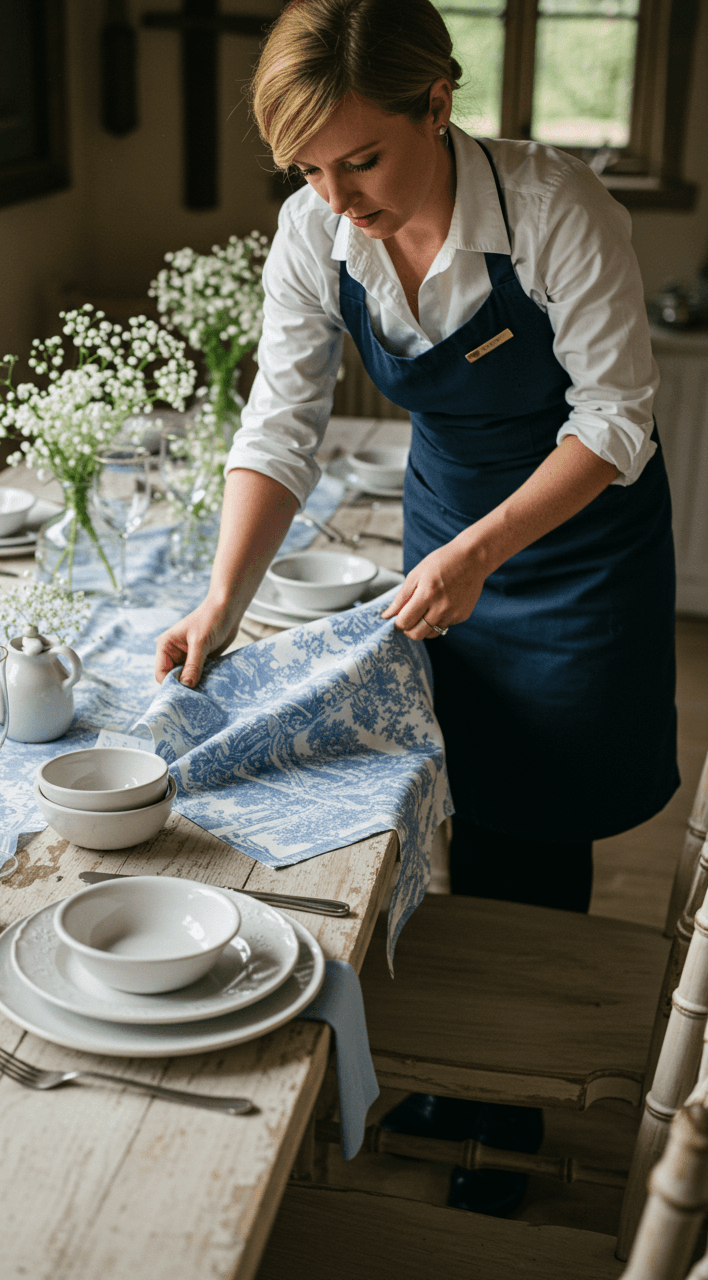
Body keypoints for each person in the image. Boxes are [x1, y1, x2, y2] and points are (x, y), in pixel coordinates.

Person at [154, 0, 679, 1216]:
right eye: (307, 170)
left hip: (572, 543)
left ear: (436, 104)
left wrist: (485, 550)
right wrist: (222, 598)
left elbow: (615, 419)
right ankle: (458, 1068)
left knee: (539, 817)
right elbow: (279, 425)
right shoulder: (314, 232)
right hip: (446, 524)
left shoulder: (553, 209)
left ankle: (513, 1105)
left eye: (360, 160)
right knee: (447, 785)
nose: (335, 197)